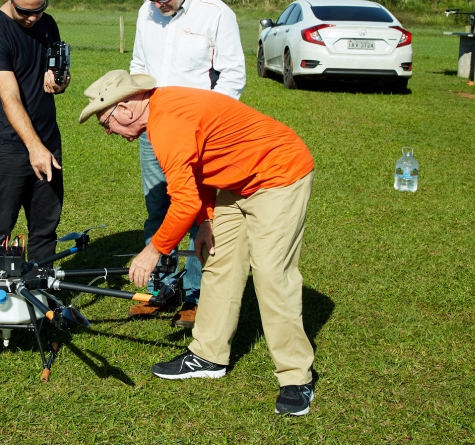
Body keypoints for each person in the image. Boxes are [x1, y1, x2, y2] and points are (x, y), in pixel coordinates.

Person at [79, 70, 317, 416]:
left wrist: (153, 251)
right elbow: (198, 169)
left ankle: (296, 377)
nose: (108, 131)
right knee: (219, 262)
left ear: (126, 109)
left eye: (106, 123)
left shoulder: (166, 123)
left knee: (270, 273)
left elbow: (183, 202)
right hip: (237, 183)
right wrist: (206, 220)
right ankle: (208, 355)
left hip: (279, 174)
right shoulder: (160, 116)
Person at [128, 0, 246, 327]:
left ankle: (195, 295)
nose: (157, 4)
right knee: (157, 208)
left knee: (198, 213)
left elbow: (232, 75)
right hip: (155, 129)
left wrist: (208, 122)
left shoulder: (216, 14)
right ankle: (158, 287)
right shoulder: (147, 13)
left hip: (199, 135)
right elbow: (138, 66)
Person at [0, 0, 70, 263]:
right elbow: (10, 97)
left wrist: (61, 82)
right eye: (24, 11)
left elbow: (57, 69)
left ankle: (39, 287)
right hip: (7, 146)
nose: (32, 18)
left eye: (39, 9)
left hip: (47, 141)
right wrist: (34, 147)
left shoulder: (48, 24)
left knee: (45, 229)